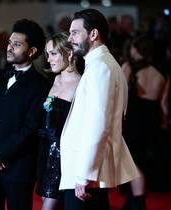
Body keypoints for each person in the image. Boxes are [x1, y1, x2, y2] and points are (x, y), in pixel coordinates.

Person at [59, 9, 139, 210]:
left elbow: (98, 124)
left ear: (93, 34)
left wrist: (84, 173)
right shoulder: (100, 65)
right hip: (88, 172)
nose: (70, 39)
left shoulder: (101, 68)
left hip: (86, 174)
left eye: (75, 32)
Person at [0, 19, 49, 210]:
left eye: (16, 44)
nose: (9, 48)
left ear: (31, 51)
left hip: (19, 168)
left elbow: (30, 129)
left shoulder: (41, 86)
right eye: (9, 43)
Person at [121, 35, 170, 210]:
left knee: (132, 165)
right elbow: (164, 104)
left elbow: (121, 98)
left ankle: (138, 203)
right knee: (139, 162)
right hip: (153, 121)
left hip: (133, 121)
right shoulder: (162, 72)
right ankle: (131, 202)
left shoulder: (128, 67)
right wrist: (163, 126)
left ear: (136, 48)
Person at [36, 32, 82, 210]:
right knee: (46, 201)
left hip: (64, 156)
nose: (49, 59)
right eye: (48, 54)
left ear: (69, 54)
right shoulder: (55, 79)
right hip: (45, 151)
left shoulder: (81, 84)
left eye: (53, 53)